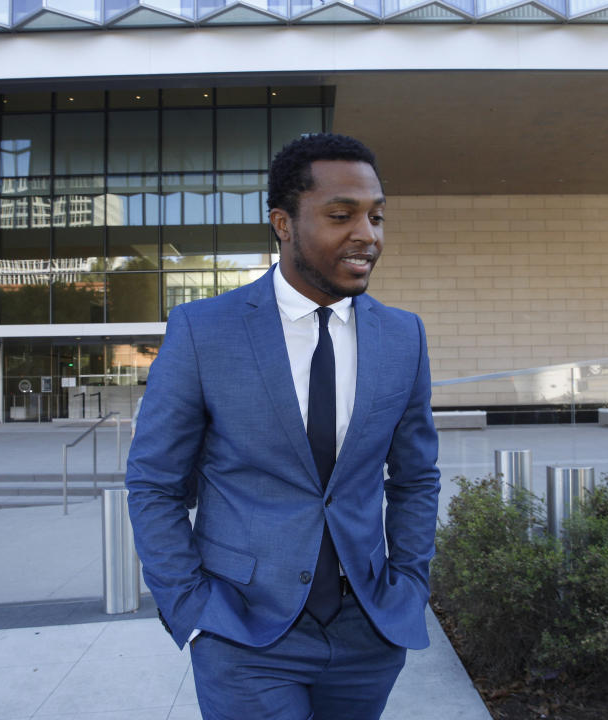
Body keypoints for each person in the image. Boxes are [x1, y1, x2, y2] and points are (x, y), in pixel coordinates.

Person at [125, 133, 441, 720]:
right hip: (242, 630)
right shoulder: (203, 330)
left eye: (376, 217)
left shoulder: (404, 336)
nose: (367, 236)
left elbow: (417, 477)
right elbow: (154, 483)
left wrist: (408, 585)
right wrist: (193, 610)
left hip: (367, 629)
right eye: (341, 215)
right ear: (283, 223)